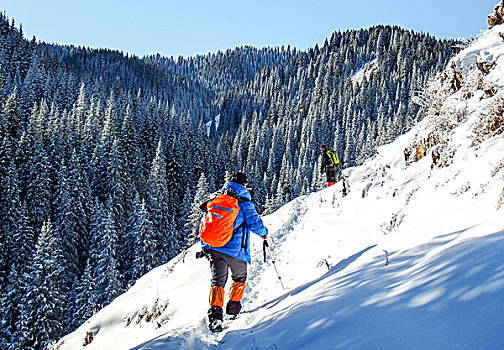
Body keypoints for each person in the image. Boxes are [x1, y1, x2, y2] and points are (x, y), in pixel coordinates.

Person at [199, 171, 268, 332]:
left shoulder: (217, 198)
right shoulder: (244, 201)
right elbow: (254, 223)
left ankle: (215, 315)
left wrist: (205, 246)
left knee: (217, 282)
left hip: (215, 247)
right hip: (236, 250)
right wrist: (264, 233)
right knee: (239, 278)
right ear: (244, 185)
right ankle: (232, 309)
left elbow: (205, 222)